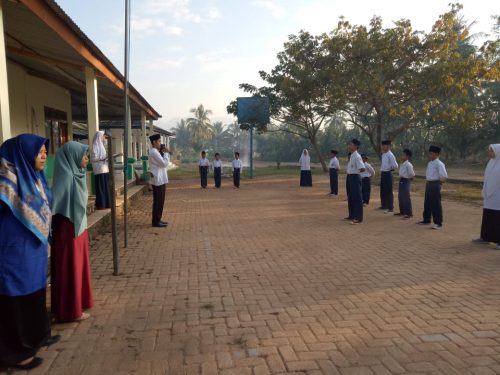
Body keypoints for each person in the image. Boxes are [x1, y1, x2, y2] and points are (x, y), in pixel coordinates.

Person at [0, 134, 60, 370]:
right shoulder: (6, 182)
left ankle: (35, 337)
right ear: (22, 154)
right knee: (15, 300)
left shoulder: (35, 178)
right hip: (13, 255)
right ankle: (14, 353)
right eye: (39, 151)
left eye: (45, 151)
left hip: (33, 254)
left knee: (34, 294)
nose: (44, 155)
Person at [51, 141, 93, 323]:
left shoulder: (79, 174)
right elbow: (53, 204)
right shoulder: (67, 177)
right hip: (68, 230)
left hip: (79, 229)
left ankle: (78, 302)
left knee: (78, 267)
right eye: (84, 156)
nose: (86, 159)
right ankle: (70, 310)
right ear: (72, 157)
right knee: (70, 268)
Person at [473, 144, 500, 249]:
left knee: (497, 218)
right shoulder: (491, 162)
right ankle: (485, 237)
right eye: (489, 150)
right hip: (489, 195)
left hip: (498, 195)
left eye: (491, 151)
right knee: (488, 216)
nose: (489, 153)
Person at [418, 145, 448, 229]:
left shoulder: (439, 164)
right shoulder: (430, 163)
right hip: (429, 184)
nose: (430, 155)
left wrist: (438, 183)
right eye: (429, 153)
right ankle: (426, 219)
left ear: (436, 154)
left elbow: (444, 176)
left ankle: (438, 223)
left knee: (435, 203)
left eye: (431, 153)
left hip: (435, 184)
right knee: (427, 202)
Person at [148, 134, 169, 227]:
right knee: (158, 201)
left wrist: (163, 153)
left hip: (161, 179)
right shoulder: (154, 152)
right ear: (154, 142)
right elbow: (164, 163)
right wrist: (166, 153)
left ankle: (158, 219)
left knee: (161, 201)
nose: (160, 143)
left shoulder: (157, 151)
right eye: (159, 141)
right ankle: (155, 221)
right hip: (157, 180)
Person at [345, 139, 365, 224]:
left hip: (355, 177)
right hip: (349, 177)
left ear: (356, 146)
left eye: (351, 145)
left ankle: (358, 218)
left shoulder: (357, 156)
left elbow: (362, 168)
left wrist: (355, 173)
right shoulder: (352, 155)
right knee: (350, 197)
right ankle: (352, 215)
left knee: (357, 197)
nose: (350, 146)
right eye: (350, 144)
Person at [90, 131, 111, 210]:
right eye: (103, 136)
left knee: (106, 187)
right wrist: (102, 159)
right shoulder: (95, 146)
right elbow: (93, 159)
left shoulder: (102, 146)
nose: (104, 138)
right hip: (99, 170)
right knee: (101, 187)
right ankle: (101, 204)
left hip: (104, 168)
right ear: (99, 137)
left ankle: (107, 203)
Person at [395, 149, 415, 219]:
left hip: (406, 180)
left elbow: (412, 174)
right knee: (400, 196)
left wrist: (409, 179)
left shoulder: (408, 164)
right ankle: (402, 211)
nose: (401, 156)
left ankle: (409, 213)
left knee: (406, 196)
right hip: (401, 180)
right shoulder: (402, 164)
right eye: (402, 155)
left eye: (403, 155)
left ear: (407, 157)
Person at [379, 140, 398, 213]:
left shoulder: (390, 155)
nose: (383, 147)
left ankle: (390, 207)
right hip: (383, 173)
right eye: (382, 145)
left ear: (389, 146)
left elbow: (395, 165)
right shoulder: (384, 154)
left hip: (388, 174)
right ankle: (384, 205)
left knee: (388, 191)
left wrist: (390, 168)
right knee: (383, 190)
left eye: (384, 145)